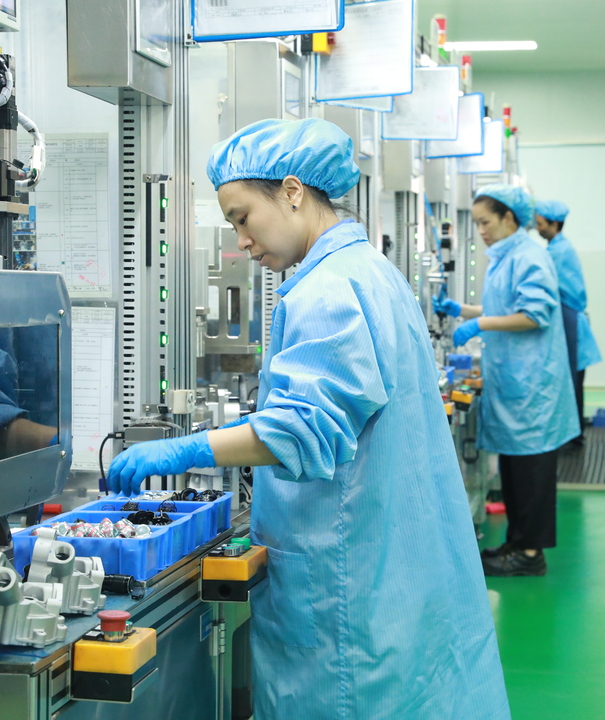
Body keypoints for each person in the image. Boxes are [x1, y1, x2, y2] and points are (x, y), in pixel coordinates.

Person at [107, 118, 510, 720]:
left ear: (292, 192)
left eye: (243, 218)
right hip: (390, 560)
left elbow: (299, 429)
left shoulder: (327, 291)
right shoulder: (370, 270)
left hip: (347, 583)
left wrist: (187, 448)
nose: (243, 241)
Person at [434, 185, 579, 577]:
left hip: (533, 384)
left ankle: (530, 555)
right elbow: (504, 307)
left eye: (485, 222)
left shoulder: (530, 256)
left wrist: (479, 324)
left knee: (531, 473)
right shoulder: (507, 256)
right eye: (477, 223)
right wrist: (463, 310)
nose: (480, 230)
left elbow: (534, 315)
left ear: (509, 218)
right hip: (516, 380)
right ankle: (516, 544)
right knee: (516, 471)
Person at [535, 200, 602, 441]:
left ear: (554, 224)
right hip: (569, 318)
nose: (537, 228)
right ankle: (574, 434)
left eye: (540, 224)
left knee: (572, 382)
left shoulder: (557, 252)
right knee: (573, 382)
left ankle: (573, 436)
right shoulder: (558, 247)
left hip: (569, 320)